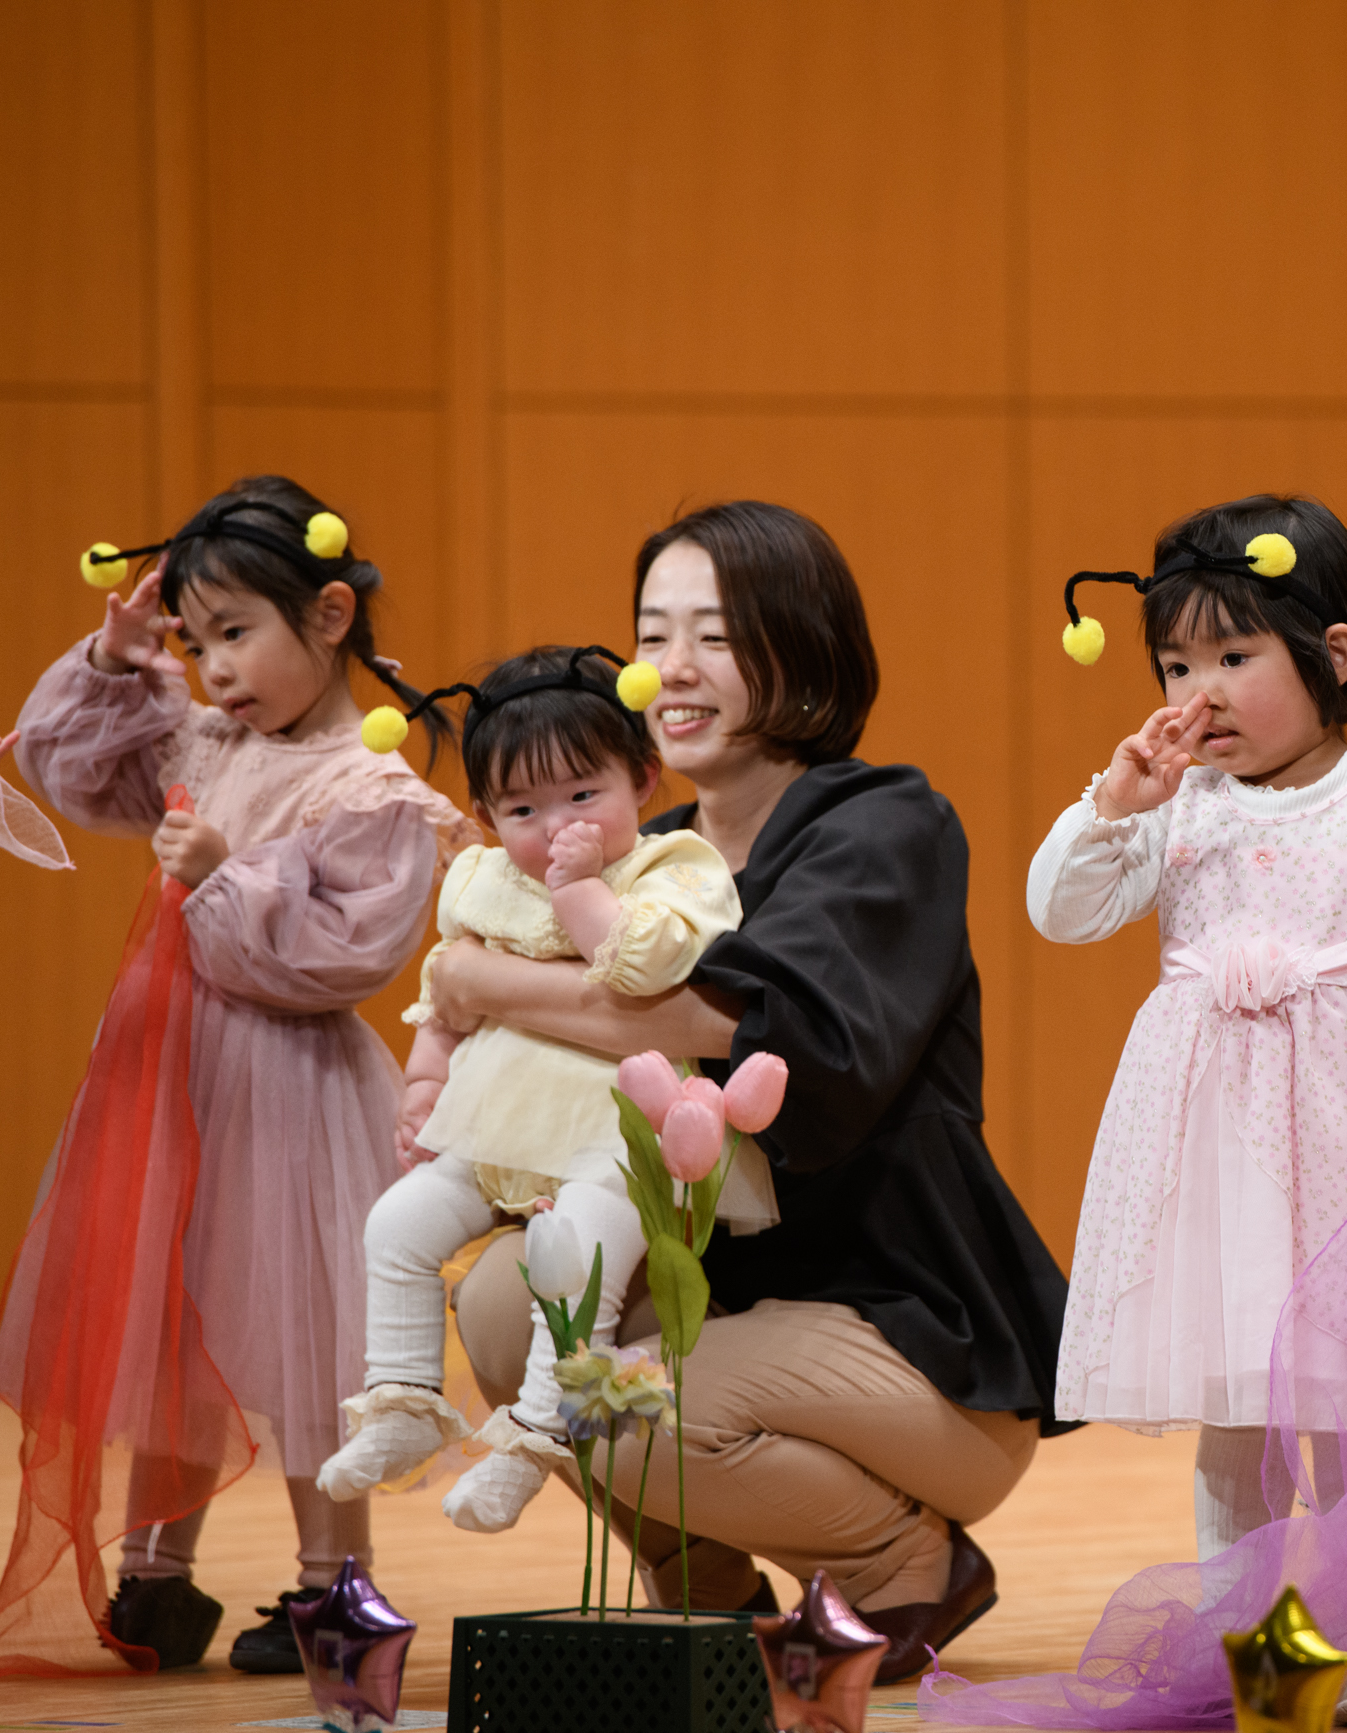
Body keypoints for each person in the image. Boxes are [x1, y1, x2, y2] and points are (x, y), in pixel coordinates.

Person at [431, 499, 1070, 1682]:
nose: (671, 668)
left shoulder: (883, 823)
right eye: (651, 634)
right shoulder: (643, 851)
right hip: (736, 1314)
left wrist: (483, 978)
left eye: (714, 636)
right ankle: (707, 1591)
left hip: (911, 1340)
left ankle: (904, 1559)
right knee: (509, 1304)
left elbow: (747, 1024)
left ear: (805, 654)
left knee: (614, 1406)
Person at [1022, 494, 1347, 1727]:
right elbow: (1059, 912)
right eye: (1176, 666)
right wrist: (1114, 803)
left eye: (1233, 657)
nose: (1201, 694)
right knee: (1234, 1413)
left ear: (1332, 655)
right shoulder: (1178, 804)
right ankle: (1248, 1636)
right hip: (1215, 1162)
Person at [0, 477, 472, 1675]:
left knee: (303, 1334)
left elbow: (343, 957)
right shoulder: (201, 739)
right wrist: (112, 662)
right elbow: (69, 770)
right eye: (193, 641)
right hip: (168, 1076)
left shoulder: (367, 786)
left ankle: (332, 1583)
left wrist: (223, 873)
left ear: (328, 614)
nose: (212, 670)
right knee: (173, 1320)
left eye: (236, 633)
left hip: (288, 1091)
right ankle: (158, 1575)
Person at [316, 645, 742, 1533]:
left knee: (579, 1254)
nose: (556, 827)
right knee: (394, 1224)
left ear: (644, 778)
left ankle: (538, 1433)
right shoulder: (483, 878)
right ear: (484, 814)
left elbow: (638, 964)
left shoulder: (673, 868)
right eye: (522, 808)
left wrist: (579, 887)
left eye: (583, 794)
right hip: (497, 1123)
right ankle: (401, 1399)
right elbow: (447, 988)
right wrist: (426, 1078)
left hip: (615, 1132)